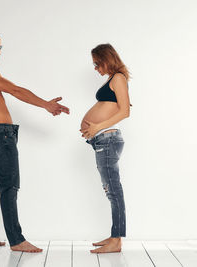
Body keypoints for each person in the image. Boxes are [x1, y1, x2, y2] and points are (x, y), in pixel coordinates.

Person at [0, 27, 69, 253]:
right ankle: (16, 240)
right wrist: (46, 105)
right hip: (1, 134)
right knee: (10, 185)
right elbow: (16, 90)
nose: (0, 52)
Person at [80, 44, 131, 253]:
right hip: (103, 140)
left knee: (113, 190)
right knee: (111, 189)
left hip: (108, 138)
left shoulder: (118, 78)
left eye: (96, 63)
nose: (95, 68)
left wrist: (97, 126)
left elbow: (125, 111)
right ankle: (114, 236)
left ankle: (116, 240)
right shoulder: (113, 79)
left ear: (106, 58)